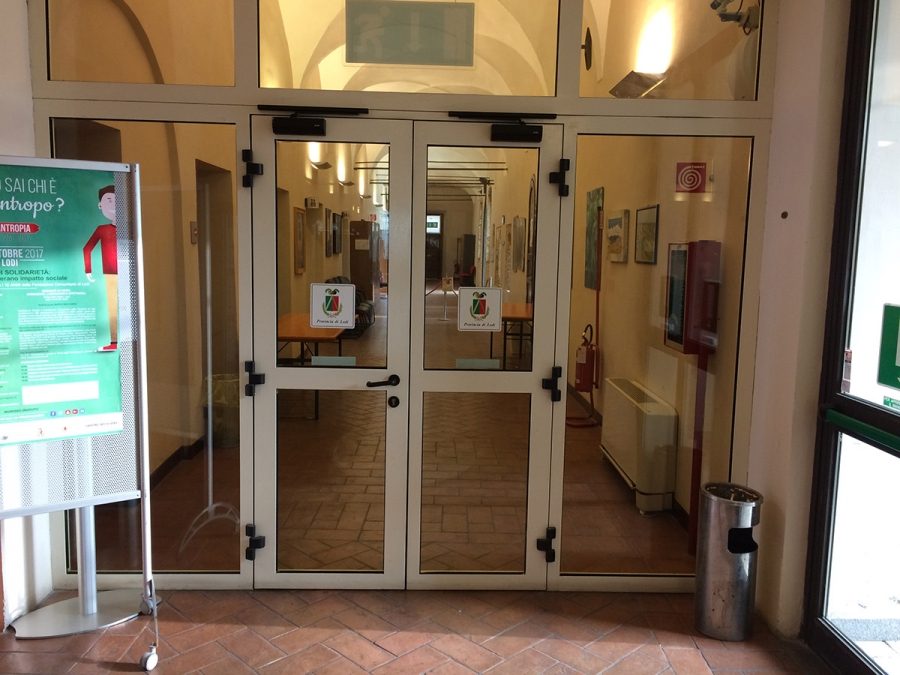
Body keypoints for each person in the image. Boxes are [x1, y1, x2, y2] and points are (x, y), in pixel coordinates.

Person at [83, 185, 117, 351]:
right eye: (109, 200)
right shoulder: (102, 229)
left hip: (129, 273)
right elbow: (87, 248)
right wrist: (88, 270)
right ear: (100, 205)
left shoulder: (131, 229)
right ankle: (114, 342)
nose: (114, 205)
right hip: (110, 274)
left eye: (117, 201)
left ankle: (130, 340)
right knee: (112, 308)